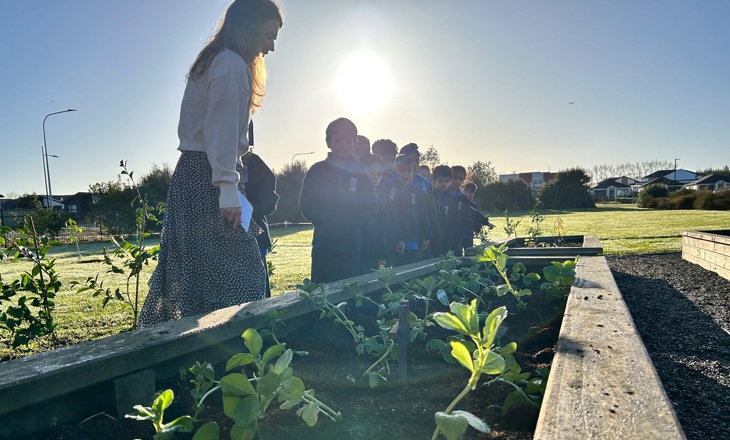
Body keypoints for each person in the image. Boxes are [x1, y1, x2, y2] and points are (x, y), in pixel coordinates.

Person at [138, 0, 283, 328]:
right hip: (210, 178)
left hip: (202, 175)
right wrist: (228, 187)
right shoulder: (230, 65)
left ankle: (200, 360)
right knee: (242, 275)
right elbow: (219, 134)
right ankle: (229, 354)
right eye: (268, 35)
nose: (271, 46)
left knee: (198, 272)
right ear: (247, 27)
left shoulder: (220, 61)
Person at [299, 118, 378, 283]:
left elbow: (371, 206)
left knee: (349, 293)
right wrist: (325, 221)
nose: (343, 144)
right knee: (323, 293)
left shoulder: (361, 175)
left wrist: (355, 223)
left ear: (354, 144)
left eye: (348, 140)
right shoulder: (317, 170)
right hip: (324, 243)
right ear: (328, 142)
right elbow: (306, 204)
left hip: (353, 245)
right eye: (338, 139)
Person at [237, 144, 279, 297]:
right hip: (218, 241)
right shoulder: (214, 159)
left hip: (254, 238)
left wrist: (249, 207)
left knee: (259, 295)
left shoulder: (254, 164)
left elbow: (269, 201)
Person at [381, 154, 430, 267]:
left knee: (412, 273)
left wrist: (427, 235)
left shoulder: (416, 191)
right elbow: (393, 216)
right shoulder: (389, 189)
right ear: (394, 170)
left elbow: (423, 214)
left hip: (413, 239)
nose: (406, 174)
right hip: (394, 240)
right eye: (402, 170)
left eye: (410, 170)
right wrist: (400, 238)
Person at [358, 153, 386, 274]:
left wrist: (381, 254)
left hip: (372, 251)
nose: (375, 177)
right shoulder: (352, 195)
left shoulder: (382, 198)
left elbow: (382, 228)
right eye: (371, 172)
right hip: (354, 249)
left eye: (379, 174)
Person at [461, 182, 495, 250]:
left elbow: (477, 219)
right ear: (464, 191)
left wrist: (477, 229)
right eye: (470, 192)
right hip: (459, 233)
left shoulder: (473, 205)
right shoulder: (460, 202)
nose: (472, 194)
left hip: (469, 234)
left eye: (473, 192)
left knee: (469, 251)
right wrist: (487, 223)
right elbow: (475, 214)